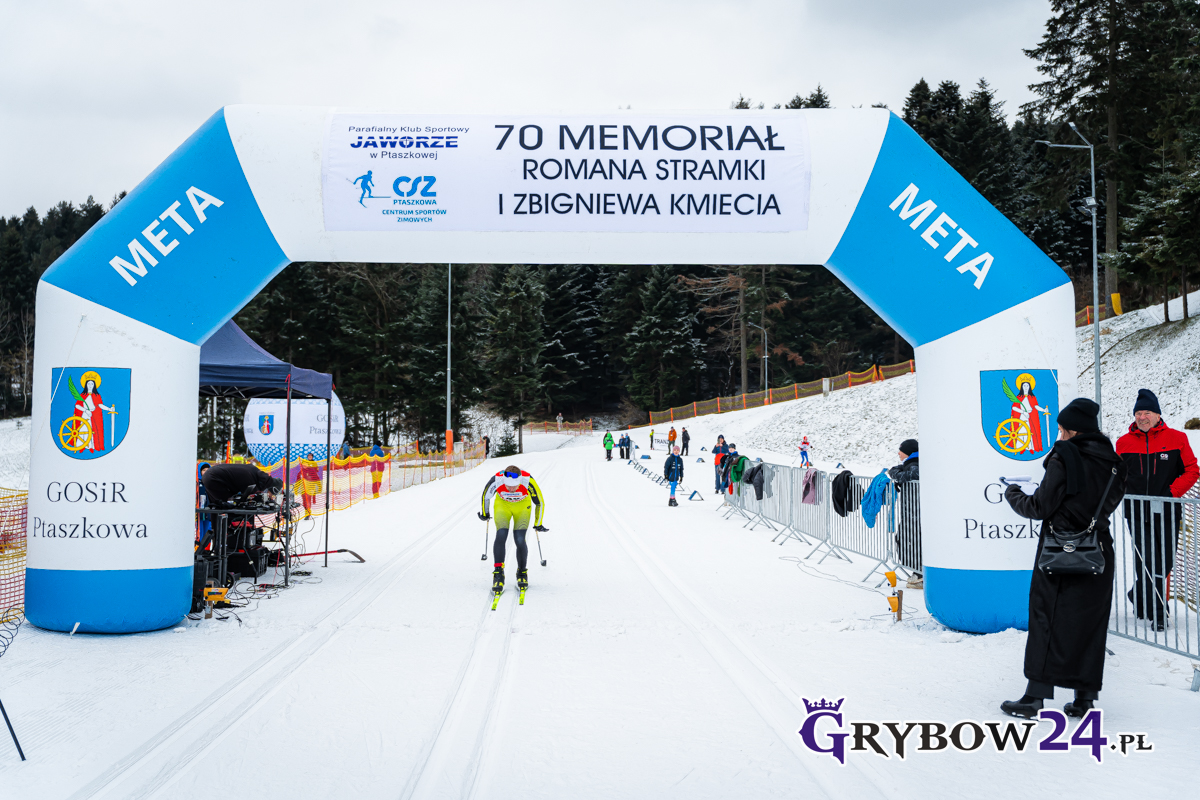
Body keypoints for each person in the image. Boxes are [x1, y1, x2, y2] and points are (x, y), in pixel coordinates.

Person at [1000, 398, 1126, 720]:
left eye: (1061, 429)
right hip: (1099, 550)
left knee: (1047, 619)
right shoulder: (1114, 461)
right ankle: (1085, 699)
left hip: (1061, 549)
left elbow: (1039, 507)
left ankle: (1034, 698)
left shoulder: (1065, 456)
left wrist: (1013, 493)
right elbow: (1107, 503)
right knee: (1090, 625)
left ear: (1072, 430)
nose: (1060, 434)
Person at [1115, 389, 1199, 629]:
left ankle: (1138, 595)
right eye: (1138, 413)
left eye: (1147, 413)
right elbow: (1116, 475)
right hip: (1137, 511)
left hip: (1168, 510)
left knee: (1166, 561)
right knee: (1146, 560)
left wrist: (1171, 493)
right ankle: (1159, 611)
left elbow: (1192, 470)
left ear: (1158, 415)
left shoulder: (1177, 439)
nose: (1142, 417)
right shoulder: (1123, 443)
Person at [478, 465, 548, 595]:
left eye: (514, 486)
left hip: (522, 507)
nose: (511, 489)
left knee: (520, 539)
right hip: (503, 506)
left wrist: (538, 523)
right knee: (501, 535)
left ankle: (522, 572)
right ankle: (498, 573)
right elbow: (486, 496)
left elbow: (540, 502)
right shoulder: (497, 480)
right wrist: (485, 513)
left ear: (519, 481)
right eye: (508, 486)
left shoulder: (527, 480)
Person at [888, 439, 921, 588]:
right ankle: (918, 572)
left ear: (908, 452)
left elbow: (914, 474)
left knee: (910, 541)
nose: (898, 453)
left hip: (915, 512)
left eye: (901, 451)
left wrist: (897, 474)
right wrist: (896, 472)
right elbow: (895, 469)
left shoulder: (914, 465)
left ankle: (919, 574)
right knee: (906, 540)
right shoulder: (911, 463)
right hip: (912, 512)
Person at [201, 462, 284, 506]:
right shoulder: (251, 478)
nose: (270, 496)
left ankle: (219, 530)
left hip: (212, 476)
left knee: (218, 506)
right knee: (223, 507)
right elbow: (247, 497)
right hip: (213, 478)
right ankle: (224, 531)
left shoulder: (254, 473)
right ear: (272, 488)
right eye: (271, 494)